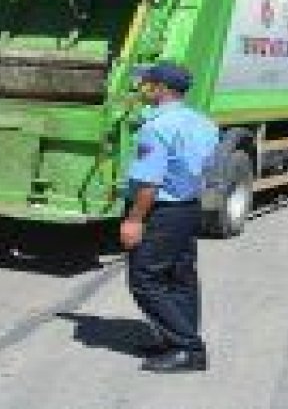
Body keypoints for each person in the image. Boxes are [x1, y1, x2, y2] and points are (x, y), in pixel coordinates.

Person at [120, 61, 219, 373]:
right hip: (188, 207)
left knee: (144, 279)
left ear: (161, 89)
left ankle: (187, 348)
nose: (144, 88)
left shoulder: (156, 127)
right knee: (180, 277)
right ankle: (175, 338)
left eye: (148, 83)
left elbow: (150, 184)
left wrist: (135, 219)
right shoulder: (203, 122)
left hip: (161, 211)